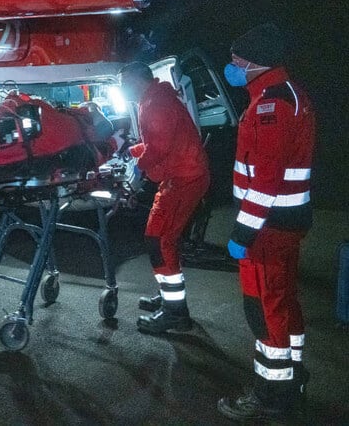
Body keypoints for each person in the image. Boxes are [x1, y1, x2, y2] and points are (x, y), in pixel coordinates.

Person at [217, 23, 315, 422]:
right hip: (287, 223)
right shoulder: (290, 94)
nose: (232, 66)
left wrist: (243, 232)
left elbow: (265, 181)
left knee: (263, 309)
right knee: (284, 302)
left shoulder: (270, 106)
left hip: (267, 229)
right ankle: (293, 375)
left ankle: (271, 394)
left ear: (257, 62)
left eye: (237, 59)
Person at [118, 62, 210, 333]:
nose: (122, 89)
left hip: (184, 178)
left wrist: (137, 168)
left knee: (159, 240)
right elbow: (159, 142)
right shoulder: (155, 98)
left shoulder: (155, 103)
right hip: (181, 176)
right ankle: (169, 296)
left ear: (138, 80)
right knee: (160, 239)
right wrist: (132, 151)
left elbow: (158, 147)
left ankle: (175, 312)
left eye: (124, 83)